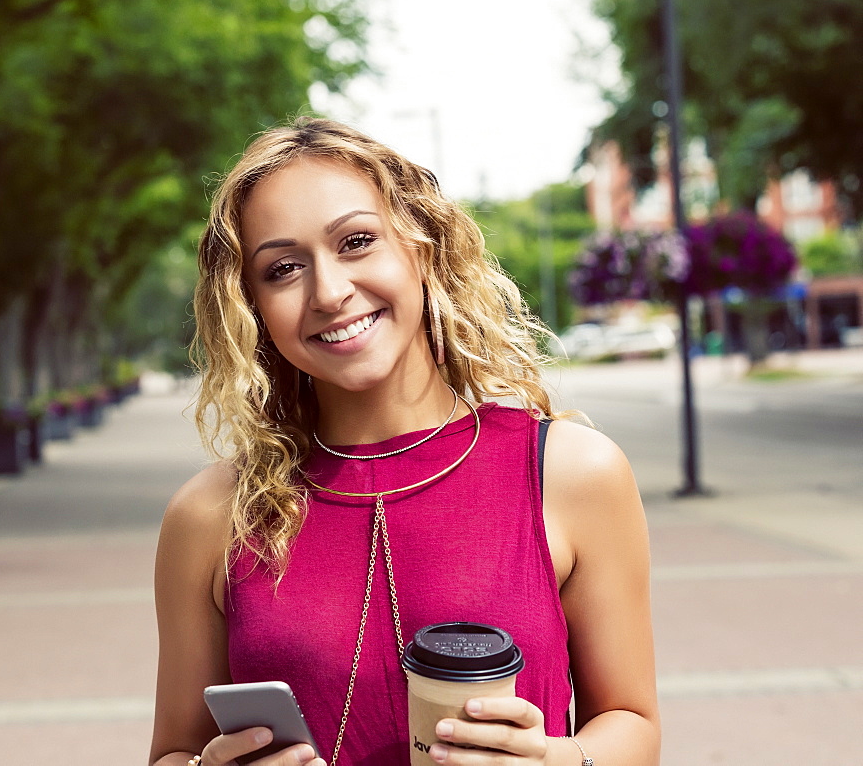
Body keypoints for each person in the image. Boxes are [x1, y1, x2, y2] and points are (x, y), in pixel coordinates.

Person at [149, 117, 660, 766]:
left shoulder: (571, 472)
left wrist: (564, 761)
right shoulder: (209, 515)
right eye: (283, 268)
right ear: (253, 304)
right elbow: (172, 750)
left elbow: (632, 720)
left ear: (421, 246)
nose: (330, 291)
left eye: (357, 241)